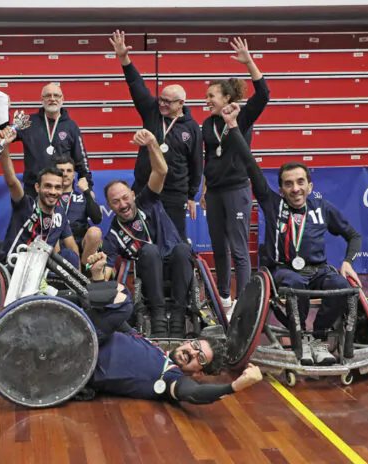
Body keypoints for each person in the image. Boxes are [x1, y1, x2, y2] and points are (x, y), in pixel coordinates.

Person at [222, 102, 362, 366]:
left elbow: (353, 235)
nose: (295, 188)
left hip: (318, 270)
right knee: (295, 284)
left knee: (341, 287)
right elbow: (250, 164)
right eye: (289, 184)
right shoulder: (272, 203)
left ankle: (317, 337)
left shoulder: (322, 208)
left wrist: (347, 262)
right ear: (281, 188)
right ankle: (300, 339)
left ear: (310, 185)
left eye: (300, 182)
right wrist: (232, 126)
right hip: (284, 271)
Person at [84, 251, 263, 403]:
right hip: (88, 336)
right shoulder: (155, 350)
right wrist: (98, 276)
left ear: (198, 375)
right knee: (115, 296)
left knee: (124, 300)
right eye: (195, 346)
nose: (192, 352)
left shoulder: (171, 377)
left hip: (85, 356)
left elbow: (194, 394)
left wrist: (236, 386)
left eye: (199, 357)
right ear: (188, 342)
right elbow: (117, 323)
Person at [199, 37, 271, 315]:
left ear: (226, 98)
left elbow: (264, 94)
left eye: (211, 97)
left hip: (236, 190)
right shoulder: (207, 124)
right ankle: (225, 300)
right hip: (215, 192)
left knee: (239, 249)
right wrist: (204, 190)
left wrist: (249, 62)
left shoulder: (242, 117)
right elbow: (208, 157)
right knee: (219, 248)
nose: (206, 101)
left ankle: (244, 303)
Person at [109, 30, 203, 241]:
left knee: (174, 241)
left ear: (181, 104)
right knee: (142, 238)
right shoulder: (152, 111)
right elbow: (136, 85)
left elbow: (197, 163)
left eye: (168, 102)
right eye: (161, 99)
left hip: (174, 194)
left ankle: (175, 275)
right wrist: (124, 58)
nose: (161, 104)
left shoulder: (192, 128)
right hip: (145, 189)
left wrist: (191, 196)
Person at [101, 129, 194, 339]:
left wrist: (152, 143)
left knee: (183, 248)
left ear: (133, 195)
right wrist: (97, 268)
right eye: (115, 202)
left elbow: (160, 171)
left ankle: (179, 316)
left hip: (175, 266)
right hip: (149, 278)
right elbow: (107, 269)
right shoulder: (113, 235)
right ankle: (158, 316)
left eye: (125, 198)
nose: (123, 205)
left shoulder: (147, 201)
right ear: (109, 205)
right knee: (150, 250)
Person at [0, 127, 80, 269]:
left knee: (70, 255)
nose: (53, 191)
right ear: (37, 188)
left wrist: (80, 282)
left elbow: (72, 246)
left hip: (40, 270)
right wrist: (4, 149)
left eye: (57, 187)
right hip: (14, 268)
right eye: (48, 186)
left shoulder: (60, 214)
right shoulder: (25, 206)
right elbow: (11, 181)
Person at [13, 83, 93, 199]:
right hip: (33, 190)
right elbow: (7, 135)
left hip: (61, 190)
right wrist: (3, 113)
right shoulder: (27, 122)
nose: (52, 99)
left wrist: (89, 188)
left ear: (62, 99)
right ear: (42, 99)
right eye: (48, 96)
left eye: (56, 95)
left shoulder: (71, 126)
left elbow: (82, 161)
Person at [53, 156, 103, 267]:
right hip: (57, 242)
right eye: (61, 171)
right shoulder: (50, 195)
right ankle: (57, 271)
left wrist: (86, 191)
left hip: (81, 241)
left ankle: (85, 269)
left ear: (74, 174)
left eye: (69, 170)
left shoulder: (82, 195)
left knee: (95, 232)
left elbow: (97, 219)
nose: (65, 174)